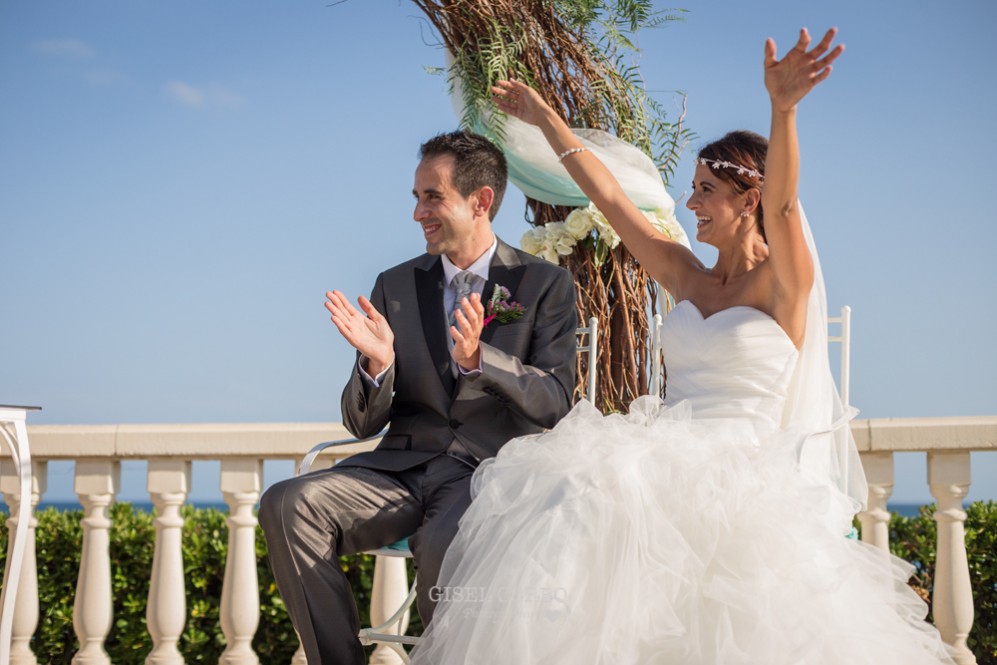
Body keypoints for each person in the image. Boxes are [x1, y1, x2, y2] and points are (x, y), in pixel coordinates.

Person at [411, 29, 956, 664]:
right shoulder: (687, 274)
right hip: (667, 443)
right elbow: (610, 198)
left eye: (705, 191)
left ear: (747, 199)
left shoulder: (785, 283)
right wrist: (547, 121)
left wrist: (784, 109)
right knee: (574, 500)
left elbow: (782, 209)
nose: (689, 202)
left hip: (746, 467)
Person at [258, 130, 578, 665]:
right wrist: (377, 366)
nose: (418, 213)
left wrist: (482, 361)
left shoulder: (543, 284)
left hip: (486, 473)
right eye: (416, 197)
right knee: (287, 503)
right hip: (399, 469)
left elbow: (555, 400)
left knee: (444, 544)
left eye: (433, 197)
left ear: (481, 202)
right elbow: (361, 424)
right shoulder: (395, 284)